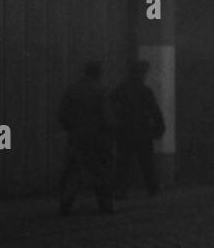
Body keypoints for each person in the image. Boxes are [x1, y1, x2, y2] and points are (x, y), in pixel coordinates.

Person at [58, 61, 117, 214]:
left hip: (76, 138)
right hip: (98, 139)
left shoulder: (72, 90)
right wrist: (112, 131)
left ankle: (65, 203)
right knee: (103, 172)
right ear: (99, 73)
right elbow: (107, 117)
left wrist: (72, 128)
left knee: (74, 172)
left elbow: (62, 115)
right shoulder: (101, 91)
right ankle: (105, 205)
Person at [113, 59, 167, 198]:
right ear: (142, 74)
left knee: (123, 162)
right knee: (146, 161)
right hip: (142, 131)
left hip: (124, 131)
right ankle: (152, 188)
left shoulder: (120, 89)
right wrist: (159, 127)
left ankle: (121, 189)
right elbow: (154, 110)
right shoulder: (145, 91)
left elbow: (113, 108)